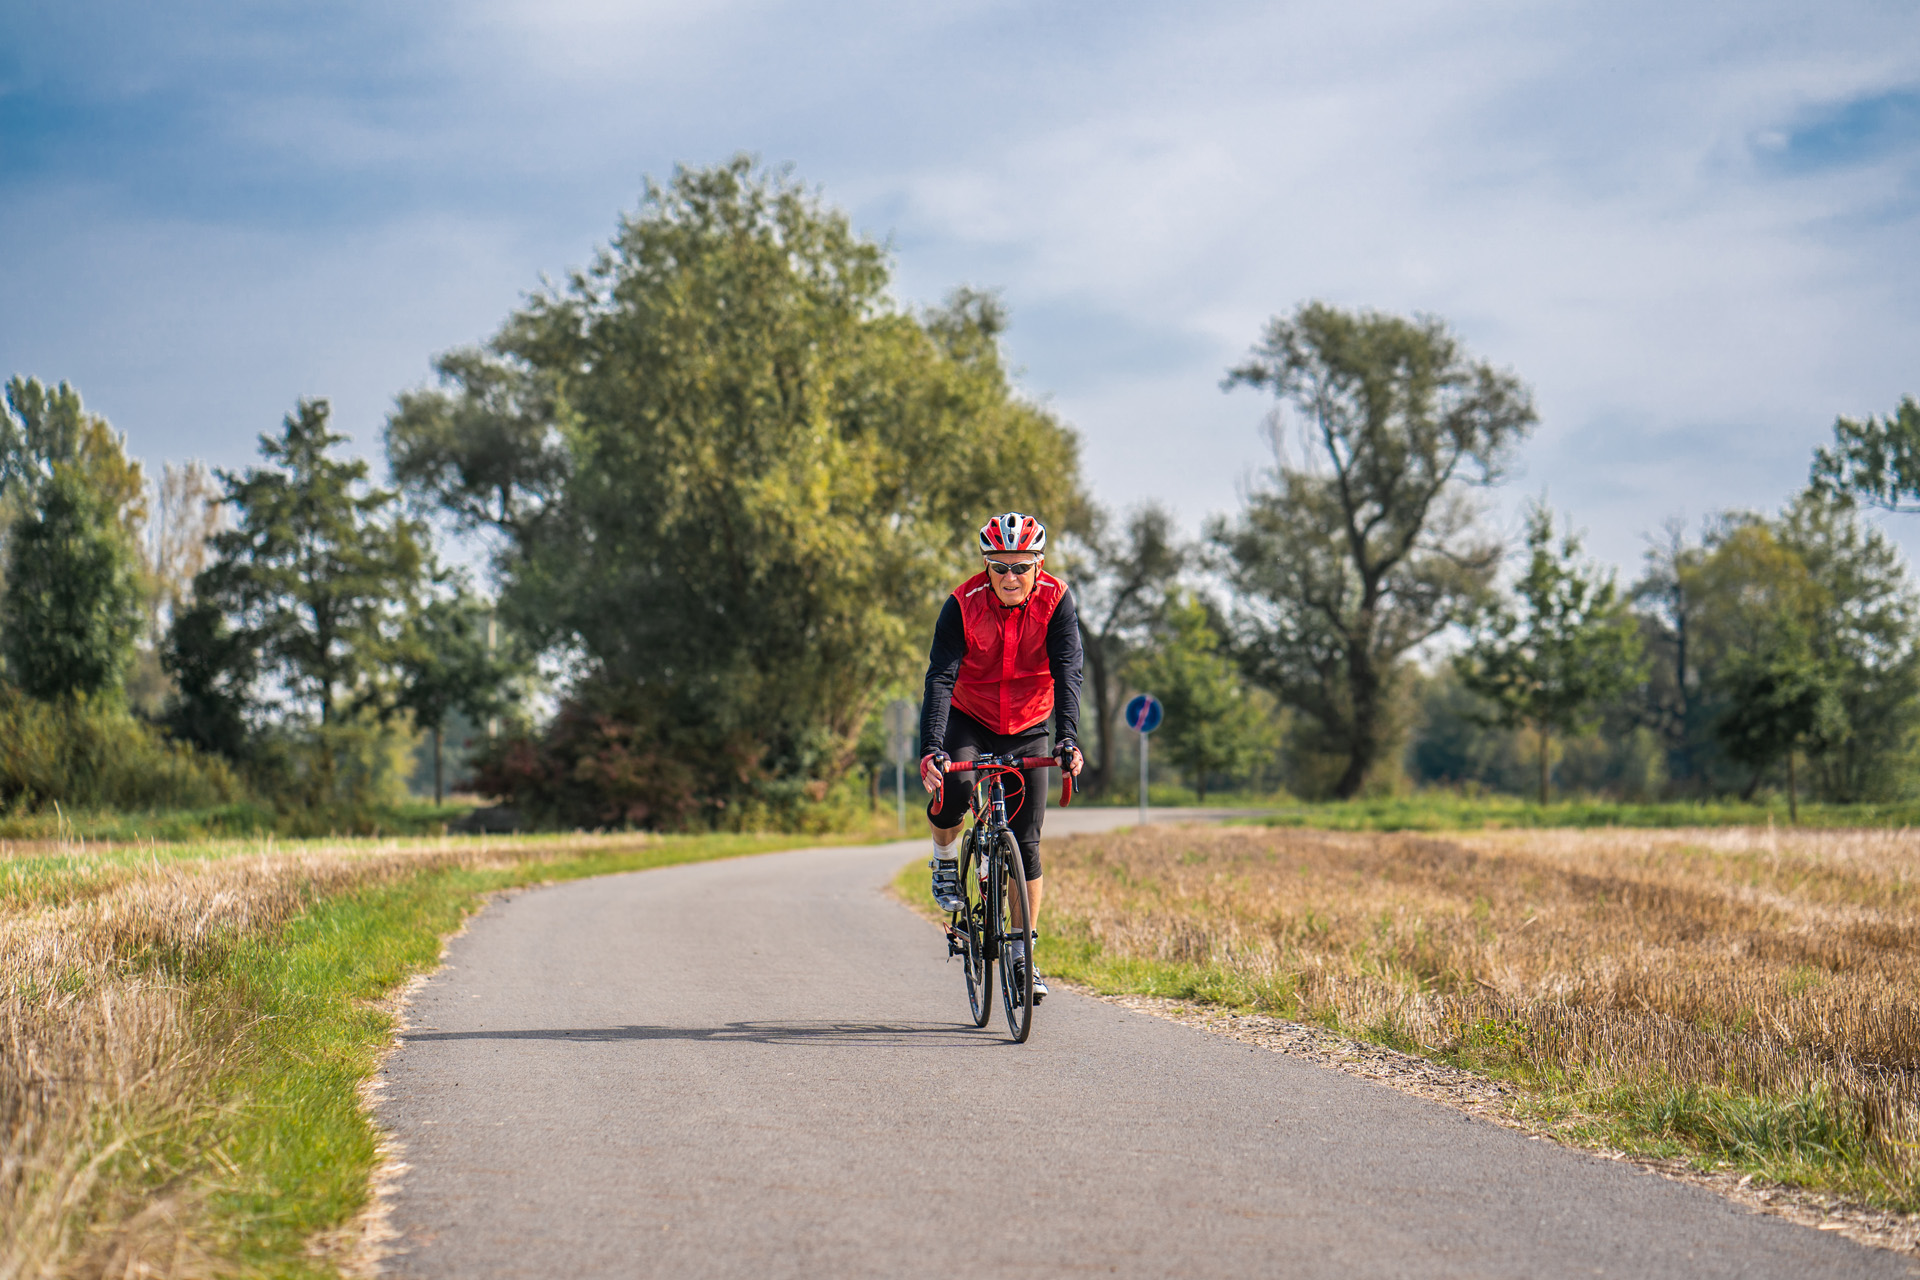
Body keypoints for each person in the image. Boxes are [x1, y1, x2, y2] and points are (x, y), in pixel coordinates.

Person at [919, 511, 1085, 1003]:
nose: (1009, 577)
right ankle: (946, 859)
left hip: (1029, 722)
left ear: (1038, 563)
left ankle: (1022, 955)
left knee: (1028, 842)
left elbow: (1068, 673)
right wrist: (932, 748)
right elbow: (940, 678)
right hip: (969, 714)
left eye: (1019, 566)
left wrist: (1068, 739)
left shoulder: (1057, 601)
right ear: (986, 566)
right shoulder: (962, 604)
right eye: (998, 567)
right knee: (957, 788)